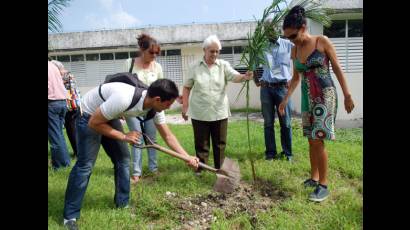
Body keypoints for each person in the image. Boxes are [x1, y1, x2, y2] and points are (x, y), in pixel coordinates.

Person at [63, 79, 199, 229]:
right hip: (88, 115)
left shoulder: (155, 107)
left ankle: (122, 204)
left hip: (108, 115)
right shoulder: (124, 98)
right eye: (167, 104)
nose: (168, 108)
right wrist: (123, 136)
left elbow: (168, 136)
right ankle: (70, 217)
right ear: (157, 99)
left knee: (123, 159)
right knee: (85, 165)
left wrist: (187, 157)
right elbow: (94, 123)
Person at [279, 5, 355, 202]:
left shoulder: (322, 42)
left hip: (324, 95)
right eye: (287, 38)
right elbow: (295, 78)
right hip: (307, 97)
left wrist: (347, 95)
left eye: (293, 36)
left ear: (303, 27)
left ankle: (324, 184)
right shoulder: (294, 51)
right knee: (310, 139)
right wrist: (285, 100)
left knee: (317, 139)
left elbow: (337, 69)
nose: (291, 41)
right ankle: (314, 178)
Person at [181, 35, 253, 174]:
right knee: (201, 144)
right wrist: (185, 106)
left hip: (219, 111)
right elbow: (187, 87)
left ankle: (220, 169)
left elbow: (235, 76)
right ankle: (201, 170)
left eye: (217, 51)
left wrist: (244, 77)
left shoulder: (223, 65)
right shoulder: (194, 67)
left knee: (220, 143)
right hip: (199, 112)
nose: (214, 54)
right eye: (211, 51)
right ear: (204, 50)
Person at [123, 33, 163, 184]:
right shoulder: (129, 63)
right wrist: (121, 110)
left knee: (152, 138)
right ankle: (136, 173)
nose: (154, 56)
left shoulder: (157, 66)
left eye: (156, 53)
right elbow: (123, 86)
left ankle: (153, 169)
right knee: (137, 139)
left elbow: (161, 87)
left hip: (151, 109)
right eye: (151, 52)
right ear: (141, 49)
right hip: (133, 108)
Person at [256, 25, 294, 162]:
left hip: (282, 88)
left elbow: (299, 57)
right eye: (267, 30)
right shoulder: (261, 46)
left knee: (286, 123)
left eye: (271, 30)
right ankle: (270, 153)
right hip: (266, 88)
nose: (268, 33)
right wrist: (256, 79)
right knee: (268, 123)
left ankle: (288, 153)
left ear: (277, 30)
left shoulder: (288, 45)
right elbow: (256, 63)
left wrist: (294, 78)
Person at [51, 60, 81, 158]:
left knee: (72, 129)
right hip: (71, 104)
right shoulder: (67, 74)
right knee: (70, 129)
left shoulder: (65, 75)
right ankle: (76, 151)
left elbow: (71, 91)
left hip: (70, 105)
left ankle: (78, 153)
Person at [48, 60, 71, 170]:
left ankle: (60, 165)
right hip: (62, 102)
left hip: (51, 103)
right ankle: (65, 162)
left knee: (55, 137)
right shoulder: (53, 65)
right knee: (59, 135)